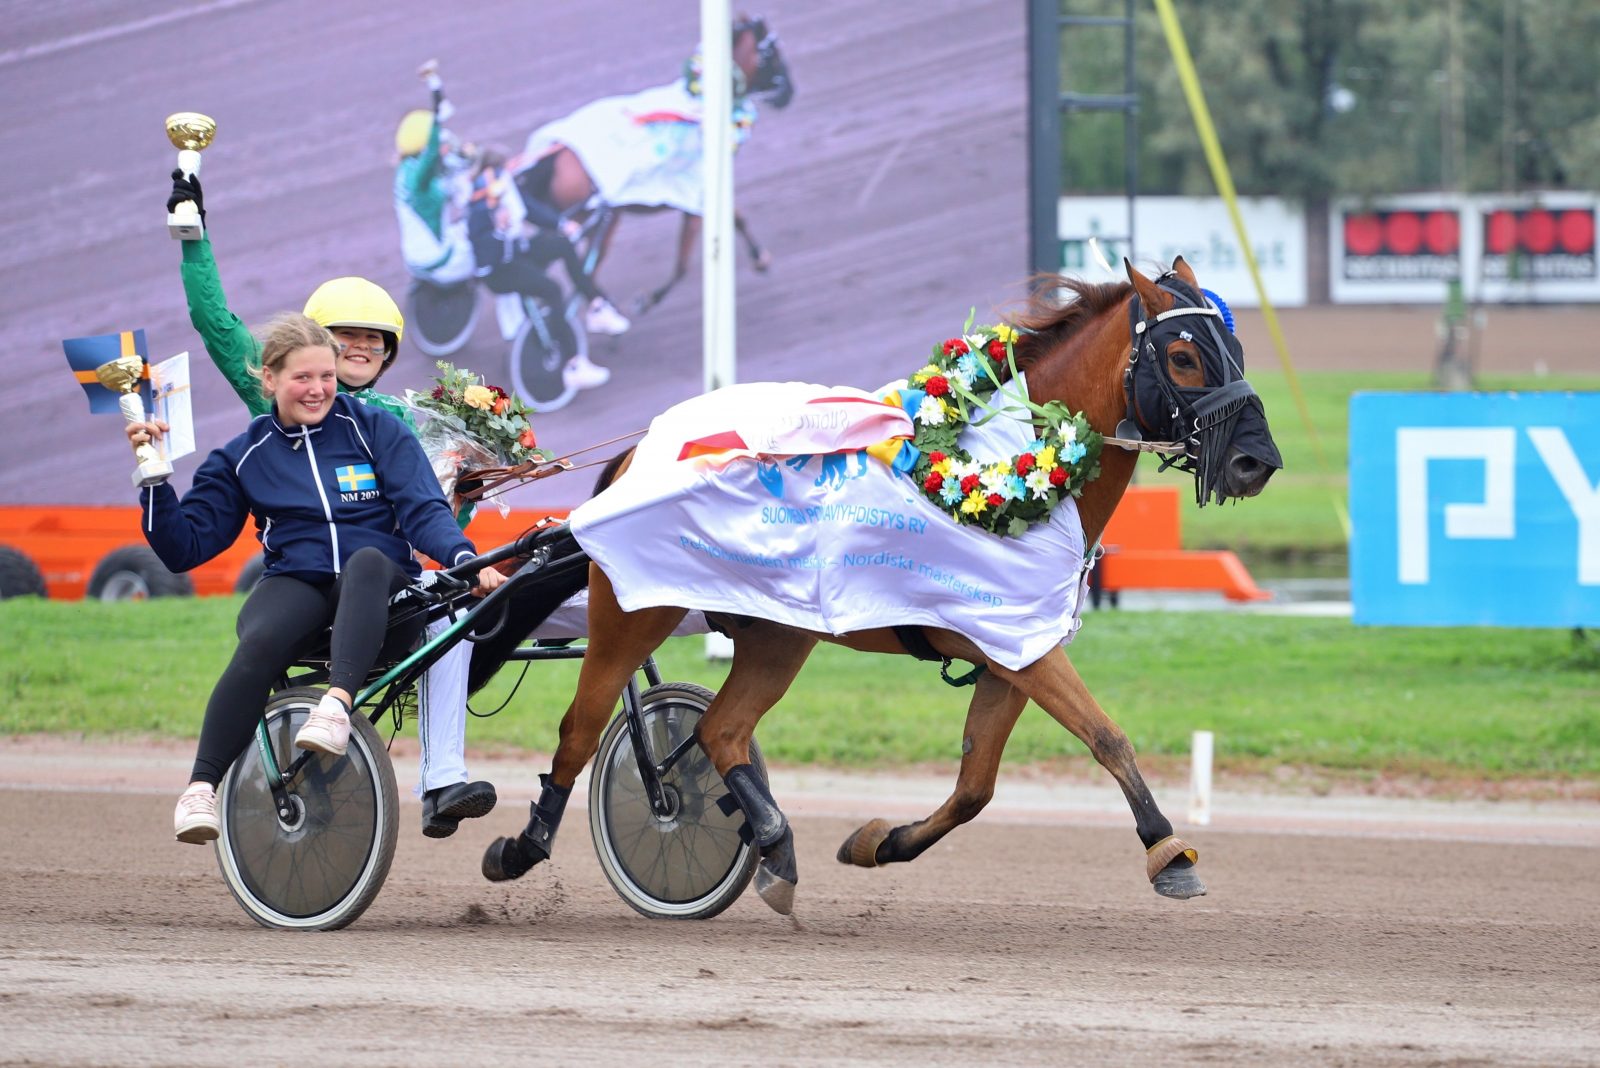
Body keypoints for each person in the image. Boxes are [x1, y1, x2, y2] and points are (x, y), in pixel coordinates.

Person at [163, 169, 499, 839]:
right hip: (304, 580)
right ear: (287, 368)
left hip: (387, 576)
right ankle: (200, 787)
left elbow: (422, 512)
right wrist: (194, 242)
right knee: (264, 638)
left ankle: (442, 780)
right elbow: (217, 324)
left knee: (434, 594)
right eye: (342, 339)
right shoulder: (272, 408)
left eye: (372, 340)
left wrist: (464, 529)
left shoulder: (401, 421)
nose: (357, 350)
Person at [400, 61, 622, 392]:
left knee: (548, 243)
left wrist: (559, 223)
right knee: (539, 282)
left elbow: (518, 205)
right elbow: (489, 249)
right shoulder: (458, 196)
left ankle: (594, 304)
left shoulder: (427, 174)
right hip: (474, 264)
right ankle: (554, 349)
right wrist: (503, 228)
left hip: (472, 252)